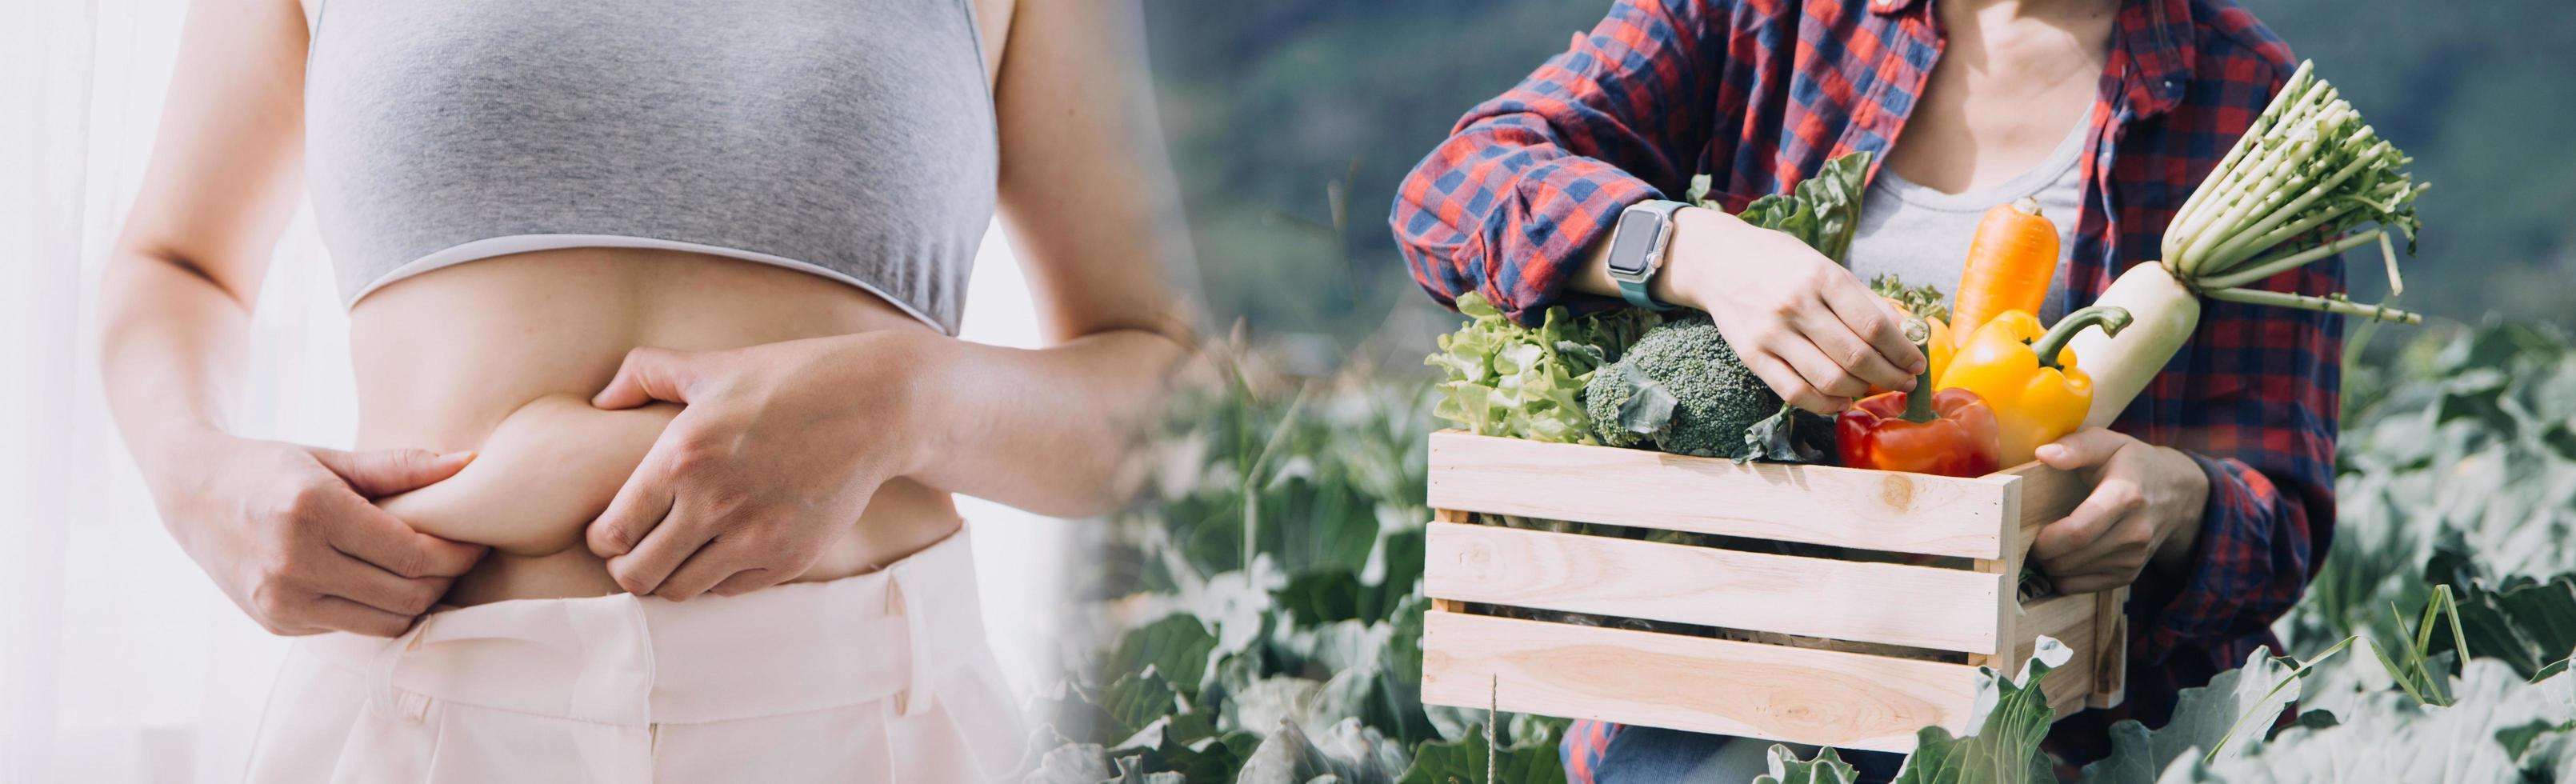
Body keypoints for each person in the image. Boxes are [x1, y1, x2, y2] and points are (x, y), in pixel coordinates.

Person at [96, 0, 1194, 780]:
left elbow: (1170, 388)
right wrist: (200, 477)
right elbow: (176, 261)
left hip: (869, 732)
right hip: (416, 719)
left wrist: (908, 398)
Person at [1390, 0, 2338, 780]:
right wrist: (1694, 248)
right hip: (1708, 692)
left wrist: (2181, 503)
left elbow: (2281, 516)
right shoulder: (1765, 17)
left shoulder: (2244, 93)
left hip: (2043, 738)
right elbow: (1450, 190)